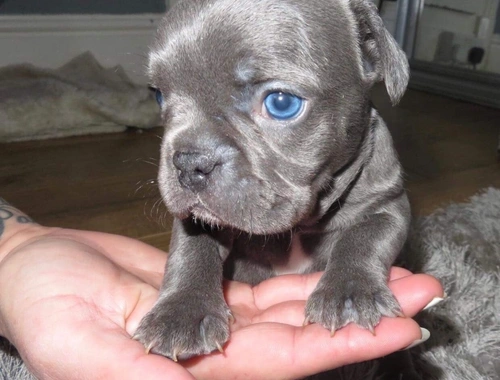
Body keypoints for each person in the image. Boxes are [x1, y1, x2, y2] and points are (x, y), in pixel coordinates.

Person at [0, 198, 443, 380]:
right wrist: (188, 291)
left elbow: (382, 212)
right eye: (162, 97)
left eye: (280, 103)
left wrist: (20, 242)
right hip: (249, 281)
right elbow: (200, 227)